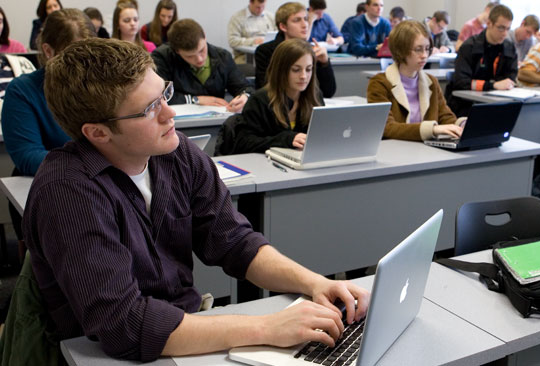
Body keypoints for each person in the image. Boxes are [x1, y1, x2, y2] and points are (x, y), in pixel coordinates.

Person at [24, 36, 370, 361]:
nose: (169, 113)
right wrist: (266, 328)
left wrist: (316, 283)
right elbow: (125, 325)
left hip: (183, 332)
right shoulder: (67, 193)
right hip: (106, 355)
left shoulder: (175, 153)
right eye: (148, 109)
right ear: (97, 132)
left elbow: (234, 242)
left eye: (165, 94)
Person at [1, 9, 94, 245]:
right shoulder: (23, 91)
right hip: (48, 188)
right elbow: (27, 155)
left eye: (89, 56)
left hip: (96, 184)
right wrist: (93, 164)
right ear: (48, 51)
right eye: (71, 57)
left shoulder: (101, 87)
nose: (82, 66)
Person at [367, 21, 463, 141]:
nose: (424, 55)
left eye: (427, 49)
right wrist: (431, 130)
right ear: (400, 50)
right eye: (418, 49)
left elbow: (445, 117)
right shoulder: (379, 83)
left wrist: (461, 125)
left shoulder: (431, 81)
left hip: (427, 150)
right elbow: (386, 127)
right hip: (395, 151)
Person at [236, 38, 323, 153]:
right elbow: (244, 143)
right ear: (281, 70)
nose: (304, 76)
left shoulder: (315, 97)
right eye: (296, 70)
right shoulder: (260, 100)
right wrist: (287, 139)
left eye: (308, 69)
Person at [152, 19, 253, 112]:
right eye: (190, 56)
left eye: (202, 50)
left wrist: (245, 96)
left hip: (216, 120)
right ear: (177, 51)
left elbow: (244, 87)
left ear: (204, 36)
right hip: (179, 123)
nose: (199, 59)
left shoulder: (223, 56)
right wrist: (194, 100)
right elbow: (158, 96)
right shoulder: (162, 57)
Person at [446, 5, 517, 117]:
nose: (505, 33)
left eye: (508, 29)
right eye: (501, 28)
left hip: (497, 102)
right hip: (465, 105)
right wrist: (493, 85)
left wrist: (503, 84)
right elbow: (461, 82)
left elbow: (511, 77)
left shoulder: (509, 47)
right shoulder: (469, 47)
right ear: (489, 23)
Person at [255, 2, 336, 98]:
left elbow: (328, 92)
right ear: (283, 27)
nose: (305, 25)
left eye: (306, 19)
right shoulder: (265, 51)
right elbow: (267, 89)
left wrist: (324, 63)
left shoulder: (311, 50)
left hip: (307, 107)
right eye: (297, 20)